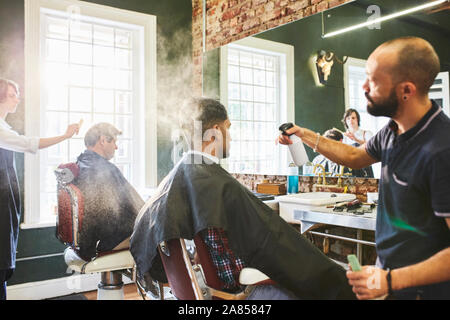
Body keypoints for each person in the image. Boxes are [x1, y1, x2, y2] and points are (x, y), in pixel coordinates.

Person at [130, 97, 356, 300]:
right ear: (215, 131)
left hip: (208, 287)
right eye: (228, 128)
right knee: (315, 278)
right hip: (240, 290)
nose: (231, 135)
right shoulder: (213, 183)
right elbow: (252, 257)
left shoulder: (184, 177)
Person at [277, 37, 450, 300]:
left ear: (407, 90)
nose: (364, 86)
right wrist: (304, 135)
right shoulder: (393, 130)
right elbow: (355, 156)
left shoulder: (441, 149)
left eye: (374, 80)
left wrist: (390, 279)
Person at [0, 78, 80, 300]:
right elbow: (28, 144)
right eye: (13, 94)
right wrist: (64, 136)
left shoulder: (4, 126)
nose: (18, 98)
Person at [73, 122, 144, 261]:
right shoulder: (106, 170)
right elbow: (136, 206)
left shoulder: (80, 164)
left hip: (85, 242)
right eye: (115, 142)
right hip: (105, 241)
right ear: (103, 140)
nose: (116, 147)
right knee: (158, 229)